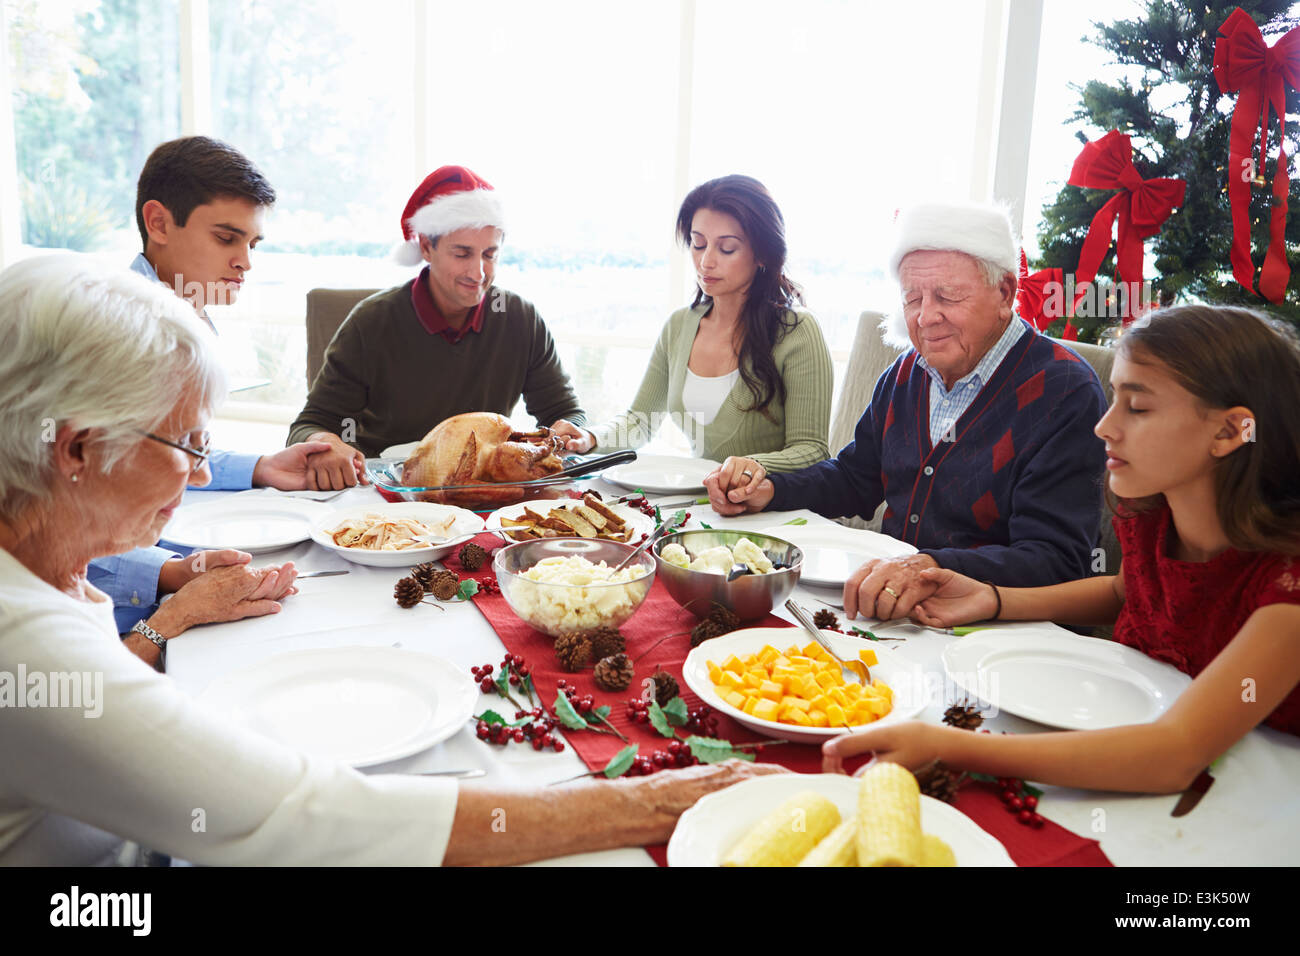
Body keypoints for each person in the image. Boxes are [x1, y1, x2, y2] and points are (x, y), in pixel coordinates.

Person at [0, 256, 777, 865]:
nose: (202, 475)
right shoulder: (20, 638)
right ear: (75, 448)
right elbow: (299, 816)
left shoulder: (42, 570)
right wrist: (657, 802)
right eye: (187, 447)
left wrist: (165, 624)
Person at [824, 305, 1300, 793]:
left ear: (1228, 431)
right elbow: (1126, 589)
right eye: (1115, 399)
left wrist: (953, 747)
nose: (1104, 426)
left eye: (1137, 408)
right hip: (1133, 737)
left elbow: (1173, 756)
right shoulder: (1156, 515)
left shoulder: (1288, 586)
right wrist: (993, 597)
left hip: (1253, 785)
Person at [705, 202, 1107, 619]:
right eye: (912, 298)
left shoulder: (1064, 391)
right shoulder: (907, 372)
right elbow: (855, 478)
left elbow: (1056, 560)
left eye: (947, 296)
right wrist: (772, 489)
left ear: (1006, 292)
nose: (926, 316)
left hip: (996, 631)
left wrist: (931, 567)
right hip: (893, 608)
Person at [90, 136, 344, 636]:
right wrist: (172, 575)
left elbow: (162, 452)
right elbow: (53, 518)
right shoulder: (115, 336)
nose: (246, 262)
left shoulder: (185, 313)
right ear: (158, 222)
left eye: (253, 244)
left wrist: (263, 467)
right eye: (227, 239)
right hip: (113, 628)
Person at [287, 166, 585, 489]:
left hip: (481, 491)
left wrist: (571, 431)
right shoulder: (371, 322)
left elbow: (567, 413)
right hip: (387, 491)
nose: (478, 272)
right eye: (462, 253)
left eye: (489, 254)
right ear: (427, 248)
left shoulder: (520, 319)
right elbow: (309, 425)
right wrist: (327, 444)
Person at [550, 175, 832, 472]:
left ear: (762, 253)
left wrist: (748, 466)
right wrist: (590, 437)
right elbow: (641, 421)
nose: (706, 262)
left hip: (775, 511)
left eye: (726, 249)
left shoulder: (797, 331)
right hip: (706, 505)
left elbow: (812, 450)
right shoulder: (680, 325)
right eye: (698, 244)